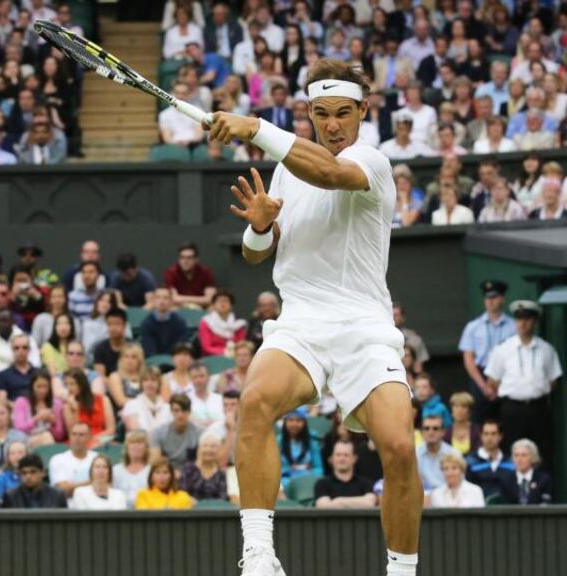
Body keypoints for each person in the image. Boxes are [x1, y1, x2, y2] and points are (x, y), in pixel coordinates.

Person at [207, 58, 421, 575]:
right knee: (254, 400)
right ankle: (259, 554)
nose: (331, 125)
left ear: (364, 111)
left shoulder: (370, 161)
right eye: (320, 113)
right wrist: (259, 228)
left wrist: (255, 127)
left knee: (398, 446)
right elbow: (259, 253)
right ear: (308, 112)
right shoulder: (287, 168)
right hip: (301, 322)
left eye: (342, 113)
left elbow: (328, 173)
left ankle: (401, 571)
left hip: (364, 328)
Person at [484, 300, 561, 462]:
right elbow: (493, 380)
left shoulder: (546, 349)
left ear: (534, 321)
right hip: (512, 409)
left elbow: (554, 380)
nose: (523, 324)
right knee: (512, 451)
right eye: (519, 319)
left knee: (542, 452)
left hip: (538, 408)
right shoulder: (503, 349)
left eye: (527, 319)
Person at [458, 280, 515, 423]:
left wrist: (498, 384)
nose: (490, 301)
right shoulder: (473, 326)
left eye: (494, 297)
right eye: (487, 297)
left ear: (502, 298)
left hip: (506, 376)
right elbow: (468, 359)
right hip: (480, 376)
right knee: (478, 421)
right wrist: (483, 386)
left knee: (506, 420)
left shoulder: (513, 326)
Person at [313, 439, 377, 508]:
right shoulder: (322, 484)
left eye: (346, 455)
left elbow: (370, 503)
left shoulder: (366, 483)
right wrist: (359, 502)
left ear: (354, 458)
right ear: (331, 459)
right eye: (338, 455)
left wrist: (338, 501)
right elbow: (323, 506)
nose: (342, 458)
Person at [465, 420, 516, 501]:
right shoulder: (470, 461)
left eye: (493, 434)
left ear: (500, 436)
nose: (489, 437)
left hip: (506, 510)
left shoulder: (510, 461)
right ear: (481, 436)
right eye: (486, 434)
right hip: (478, 510)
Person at [150, 394, 202, 470]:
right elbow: (155, 462)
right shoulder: (158, 433)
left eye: (184, 410)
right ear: (171, 411)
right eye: (176, 410)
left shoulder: (199, 433)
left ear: (189, 412)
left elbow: (201, 462)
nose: (180, 415)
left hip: (192, 474)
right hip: (167, 475)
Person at [62, 368, 115, 441]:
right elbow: (73, 433)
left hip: (102, 439)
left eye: (72, 384)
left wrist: (95, 440)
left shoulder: (103, 400)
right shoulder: (68, 405)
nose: (69, 388)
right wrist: (76, 410)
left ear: (82, 384)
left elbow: (111, 429)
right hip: (80, 443)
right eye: (66, 384)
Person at [1, 453, 68, 509]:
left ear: (43, 473)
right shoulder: (10, 496)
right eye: (24, 473)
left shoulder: (57, 496)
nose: (28, 476)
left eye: (33, 472)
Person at [180, 431, 228, 501]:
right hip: (190, 509)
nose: (208, 449)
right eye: (205, 446)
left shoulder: (221, 473)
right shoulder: (188, 469)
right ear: (199, 449)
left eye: (213, 446)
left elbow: (223, 498)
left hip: (215, 510)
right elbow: (182, 494)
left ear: (219, 450)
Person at [139, 288, 188, 357]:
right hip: (153, 363)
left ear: (171, 301)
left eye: (165, 298)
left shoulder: (180, 323)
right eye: (158, 297)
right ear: (153, 301)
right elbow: (149, 351)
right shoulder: (146, 324)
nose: (161, 301)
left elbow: (180, 348)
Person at [122, 367, 171, 433]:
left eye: (153, 380)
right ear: (141, 383)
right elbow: (135, 432)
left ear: (159, 383)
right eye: (146, 380)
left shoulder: (168, 407)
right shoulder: (132, 405)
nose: (149, 384)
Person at [199, 290, 247, 357]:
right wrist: (226, 352)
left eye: (226, 301)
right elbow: (206, 348)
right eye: (219, 301)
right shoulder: (205, 322)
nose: (222, 303)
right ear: (213, 305)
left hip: (235, 357)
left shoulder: (238, 324)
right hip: (213, 358)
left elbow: (240, 345)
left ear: (231, 305)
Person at [416, 415, 457, 492]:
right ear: (421, 432)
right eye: (426, 428)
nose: (430, 432)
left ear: (443, 432)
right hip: (422, 498)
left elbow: (460, 484)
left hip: (448, 497)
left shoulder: (454, 454)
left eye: (435, 429)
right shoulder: (415, 454)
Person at [508, 439, 552, 506]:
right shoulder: (506, 479)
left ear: (533, 458)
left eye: (524, 455)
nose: (519, 459)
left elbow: (545, 503)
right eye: (516, 455)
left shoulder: (543, 479)